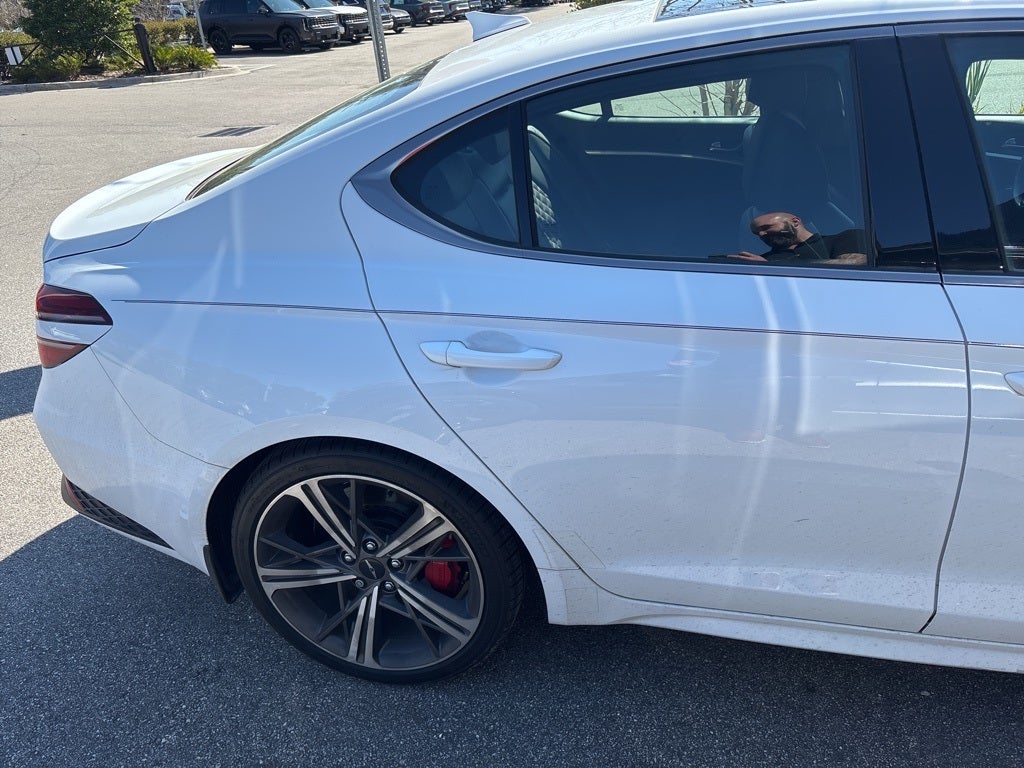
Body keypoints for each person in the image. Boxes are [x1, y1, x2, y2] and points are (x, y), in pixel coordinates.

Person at [729, 212, 867, 265]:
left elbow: (856, 263)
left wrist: (774, 266)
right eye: (756, 233)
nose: (761, 235)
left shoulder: (846, 237)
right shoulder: (762, 260)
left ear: (795, 222)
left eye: (766, 227)